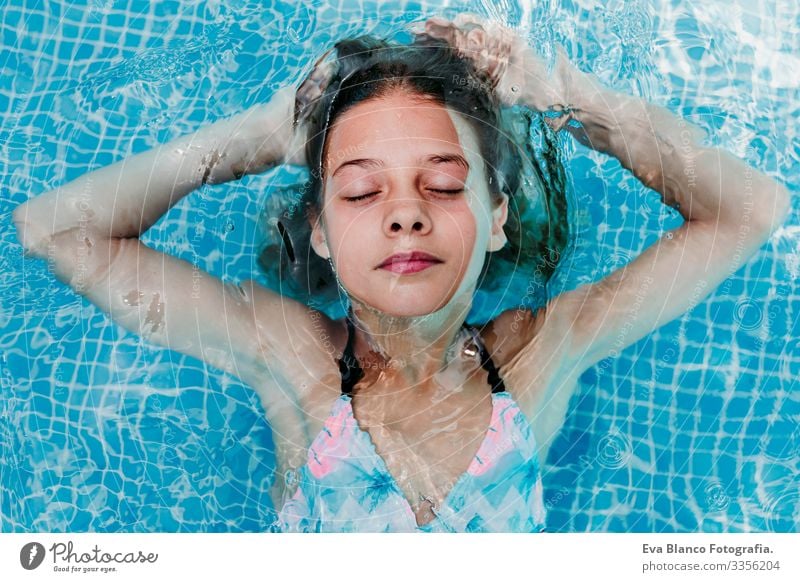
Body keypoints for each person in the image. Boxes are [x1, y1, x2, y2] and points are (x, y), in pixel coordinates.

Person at [12, 14, 790, 533]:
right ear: (317, 230)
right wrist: (254, 139)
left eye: (446, 186)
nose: (406, 213)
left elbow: (752, 209)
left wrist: (567, 97)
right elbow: (51, 230)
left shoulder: (537, 357)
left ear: (499, 217)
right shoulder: (297, 360)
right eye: (359, 190)